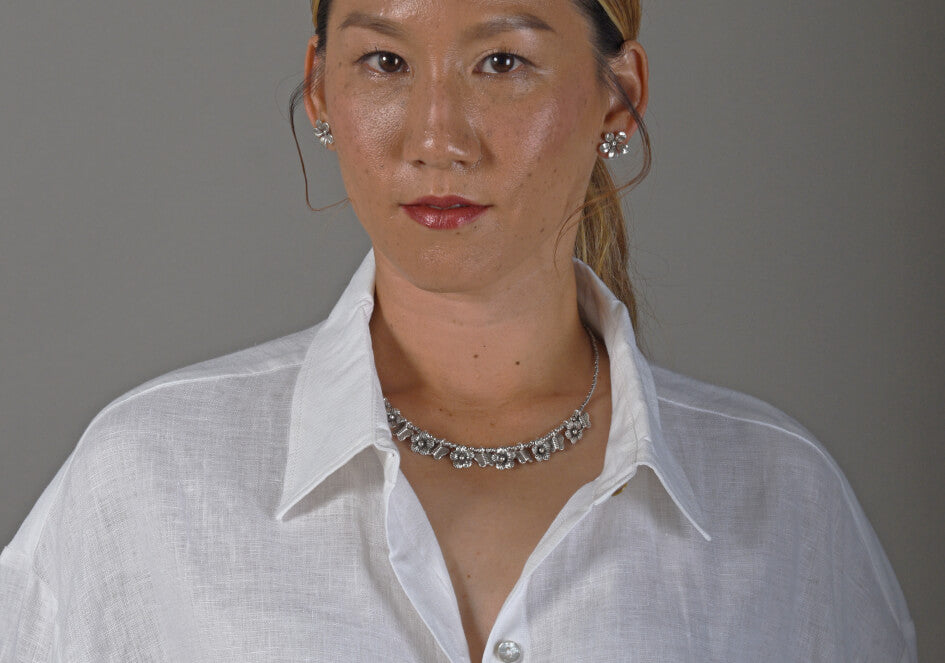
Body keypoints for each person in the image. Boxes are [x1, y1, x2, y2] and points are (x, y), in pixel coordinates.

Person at [0, 0, 917, 661]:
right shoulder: (149, 478)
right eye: (385, 62)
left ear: (619, 95)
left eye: (502, 62)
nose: (437, 137)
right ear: (320, 88)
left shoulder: (781, 503)